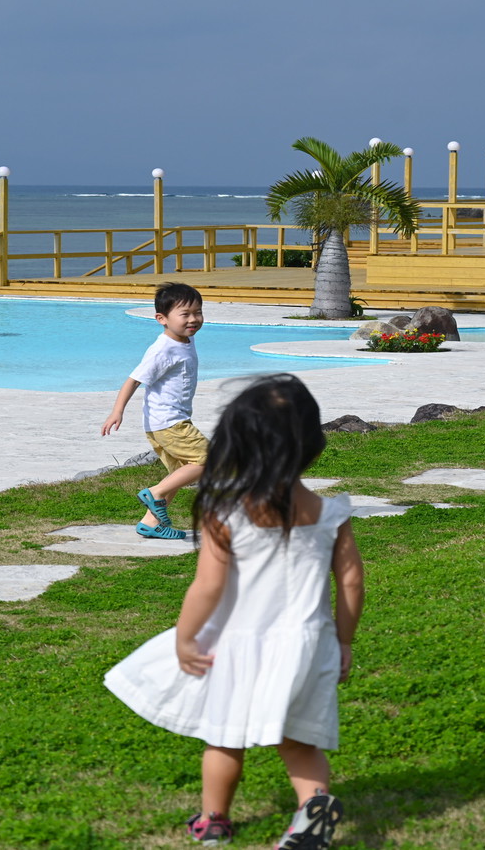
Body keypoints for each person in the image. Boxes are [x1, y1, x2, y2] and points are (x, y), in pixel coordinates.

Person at [105, 374, 365, 848]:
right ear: (311, 443)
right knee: (300, 741)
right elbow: (350, 581)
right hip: (308, 643)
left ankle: (215, 820)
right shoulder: (331, 513)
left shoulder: (226, 512)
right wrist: (344, 641)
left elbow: (207, 586)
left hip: (239, 647)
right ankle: (313, 810)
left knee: (224, 737)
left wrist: (185, 637)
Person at [101, 282, 207, 540]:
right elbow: (133, 379)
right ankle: (154, 493)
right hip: (170, 423)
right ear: (161, 319)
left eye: (198, 312)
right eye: (185, 314)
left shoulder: (184, 338)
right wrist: (118, 411)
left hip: (165, 421)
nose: (193, 319)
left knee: (179, 474)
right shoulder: (162, 350)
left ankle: (151, 523)